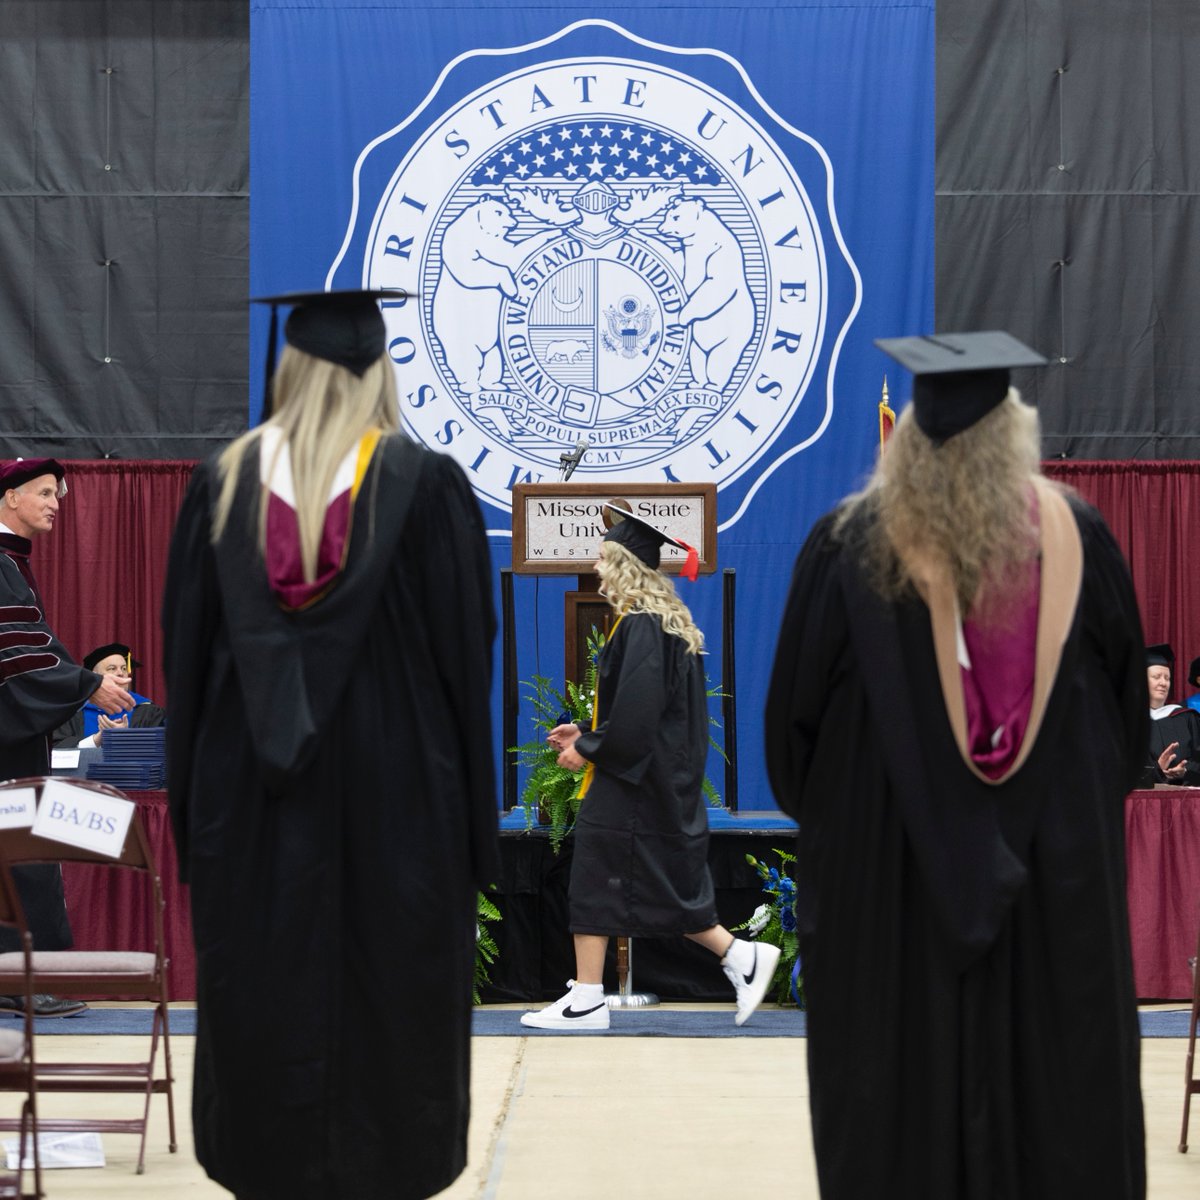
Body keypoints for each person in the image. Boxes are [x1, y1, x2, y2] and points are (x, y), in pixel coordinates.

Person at [765, 332, 1147, 1198]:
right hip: (1054, 912)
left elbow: (791, 749)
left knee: (899, 1128)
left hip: (889, 916)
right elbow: (1126, 734)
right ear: (1014, 436)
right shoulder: (1082, 545)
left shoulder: (843, 551)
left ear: (905, 443)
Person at [161, 289, 499, 1200]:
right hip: (402, 815)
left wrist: (200, 829)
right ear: (378, 370)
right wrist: (473, 839)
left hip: (253, 814)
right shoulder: (427, 489)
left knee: (264, 1001)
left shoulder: (221, 488)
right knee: (391, 1007)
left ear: (291, 369)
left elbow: (185, 673)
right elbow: (468, 666)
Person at [520, 504, 780, 1031]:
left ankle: (589, 999)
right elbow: (640, 715)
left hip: (633, 784)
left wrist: (587, 750)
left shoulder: (641, 626)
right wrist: (587, 733)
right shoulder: (663, 626)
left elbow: (635, 722)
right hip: (654, 780)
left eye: (602, 559)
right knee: (653, 886)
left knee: (595, 878)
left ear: (624, 567)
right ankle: (742, 957)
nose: (597, 569)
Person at [0, 458, 134, 1018]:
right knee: (22, 853)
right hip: (6, 750)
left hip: (13, 739)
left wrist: (81, 685)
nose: (56, 502)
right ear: (10, 497)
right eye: (45, 492)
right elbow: (15, 656)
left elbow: (34, 647)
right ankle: (28, 983)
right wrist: (86, 685)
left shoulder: (12, 563)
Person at [52, 642, 166, 749]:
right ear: (94, 677)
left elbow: (162, 749)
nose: (121, 673)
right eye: (112, 668)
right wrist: (95, 741)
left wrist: (128, 737)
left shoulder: (148, 711)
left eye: (124, 668)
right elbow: (56, 749)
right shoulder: (72, 713)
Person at [1145, 643, 1200, 785]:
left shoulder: (1187, 717)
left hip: (1187, 803)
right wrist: (1156, 771)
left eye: (1167, 678)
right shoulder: (1127, 722)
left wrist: (1186, 771)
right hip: (1143, 803)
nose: (1163, 683)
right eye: (1157, 677)